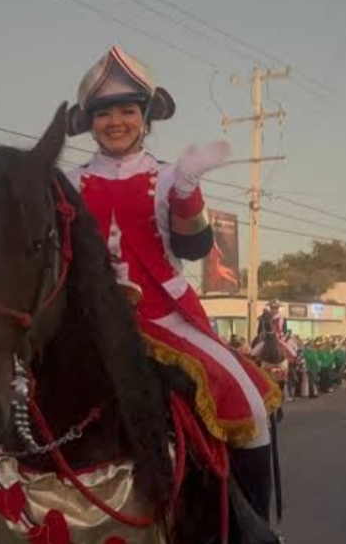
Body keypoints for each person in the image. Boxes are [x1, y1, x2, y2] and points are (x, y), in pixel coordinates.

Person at [65, 46, 280, 520]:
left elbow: (193, 249)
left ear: (145, 119)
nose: (116, 121)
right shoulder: (68, 181)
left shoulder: (166, 178)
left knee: (249, 403)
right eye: (104, 113)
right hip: (86, 320)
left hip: (164, 317)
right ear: (90, 122)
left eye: (127, 111)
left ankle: (252, 526)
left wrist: (186, 189)